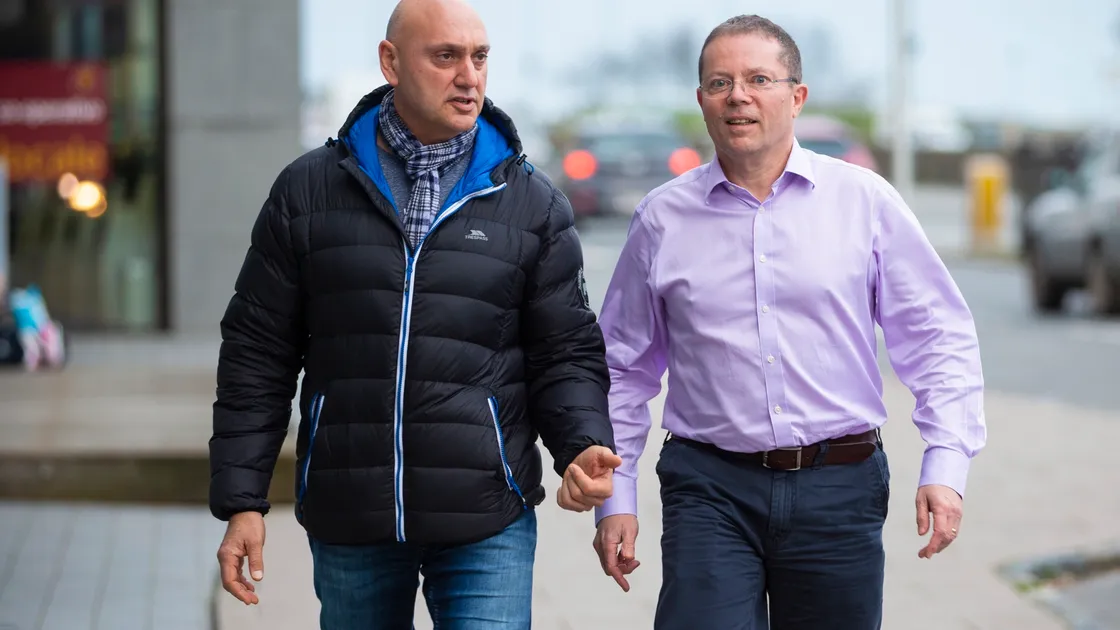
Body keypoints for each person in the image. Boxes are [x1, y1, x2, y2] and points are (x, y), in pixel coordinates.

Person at [208, 0, 621, 626]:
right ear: (390, 62)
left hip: (488, 514)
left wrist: (582, 444)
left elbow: (564, 350)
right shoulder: (308, 191)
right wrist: (243, 500)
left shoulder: (533, 204)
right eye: (446, 56)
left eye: (479, 57)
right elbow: (256, 353)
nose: (469, 76)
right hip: (351, 513)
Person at [591, 14, 986, 630]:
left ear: (796, 97)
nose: (738, 95)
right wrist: (616, 499)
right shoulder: (661, 219)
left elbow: (938, 339)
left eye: (758, 78)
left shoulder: (866, 203)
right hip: (709, 488)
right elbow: (622, 369)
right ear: (701, 102)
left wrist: (946, 464)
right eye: (719, 83)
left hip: (841, 486)